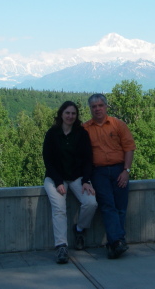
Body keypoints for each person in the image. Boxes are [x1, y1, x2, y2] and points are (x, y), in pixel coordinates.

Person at [43, 101, 97, 264]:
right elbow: (48, 160)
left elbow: (88, 159)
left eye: (73, 113)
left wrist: (86, 180)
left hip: (77, 177)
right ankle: (61, 247)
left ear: (76, 116)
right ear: (61, 114)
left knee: (91, 202)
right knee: (59, 210)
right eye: (67, 113)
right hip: (54, 178)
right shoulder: (52, 134)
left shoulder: (81, 134)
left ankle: (79, 229)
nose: (70, 116)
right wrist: (58, 181)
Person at [83, 94, 136, 259]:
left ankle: (114, 245)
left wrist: (126, 171)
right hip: (98, 172)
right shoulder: (85, 129)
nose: (97, 109)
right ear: (90, 109)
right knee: (107, 206)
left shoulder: (118, 125)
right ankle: (118, 241)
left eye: (100, 105)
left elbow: (129, 147)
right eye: (94, 106)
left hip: (119, 170)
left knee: (120, 207)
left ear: (106, 107)